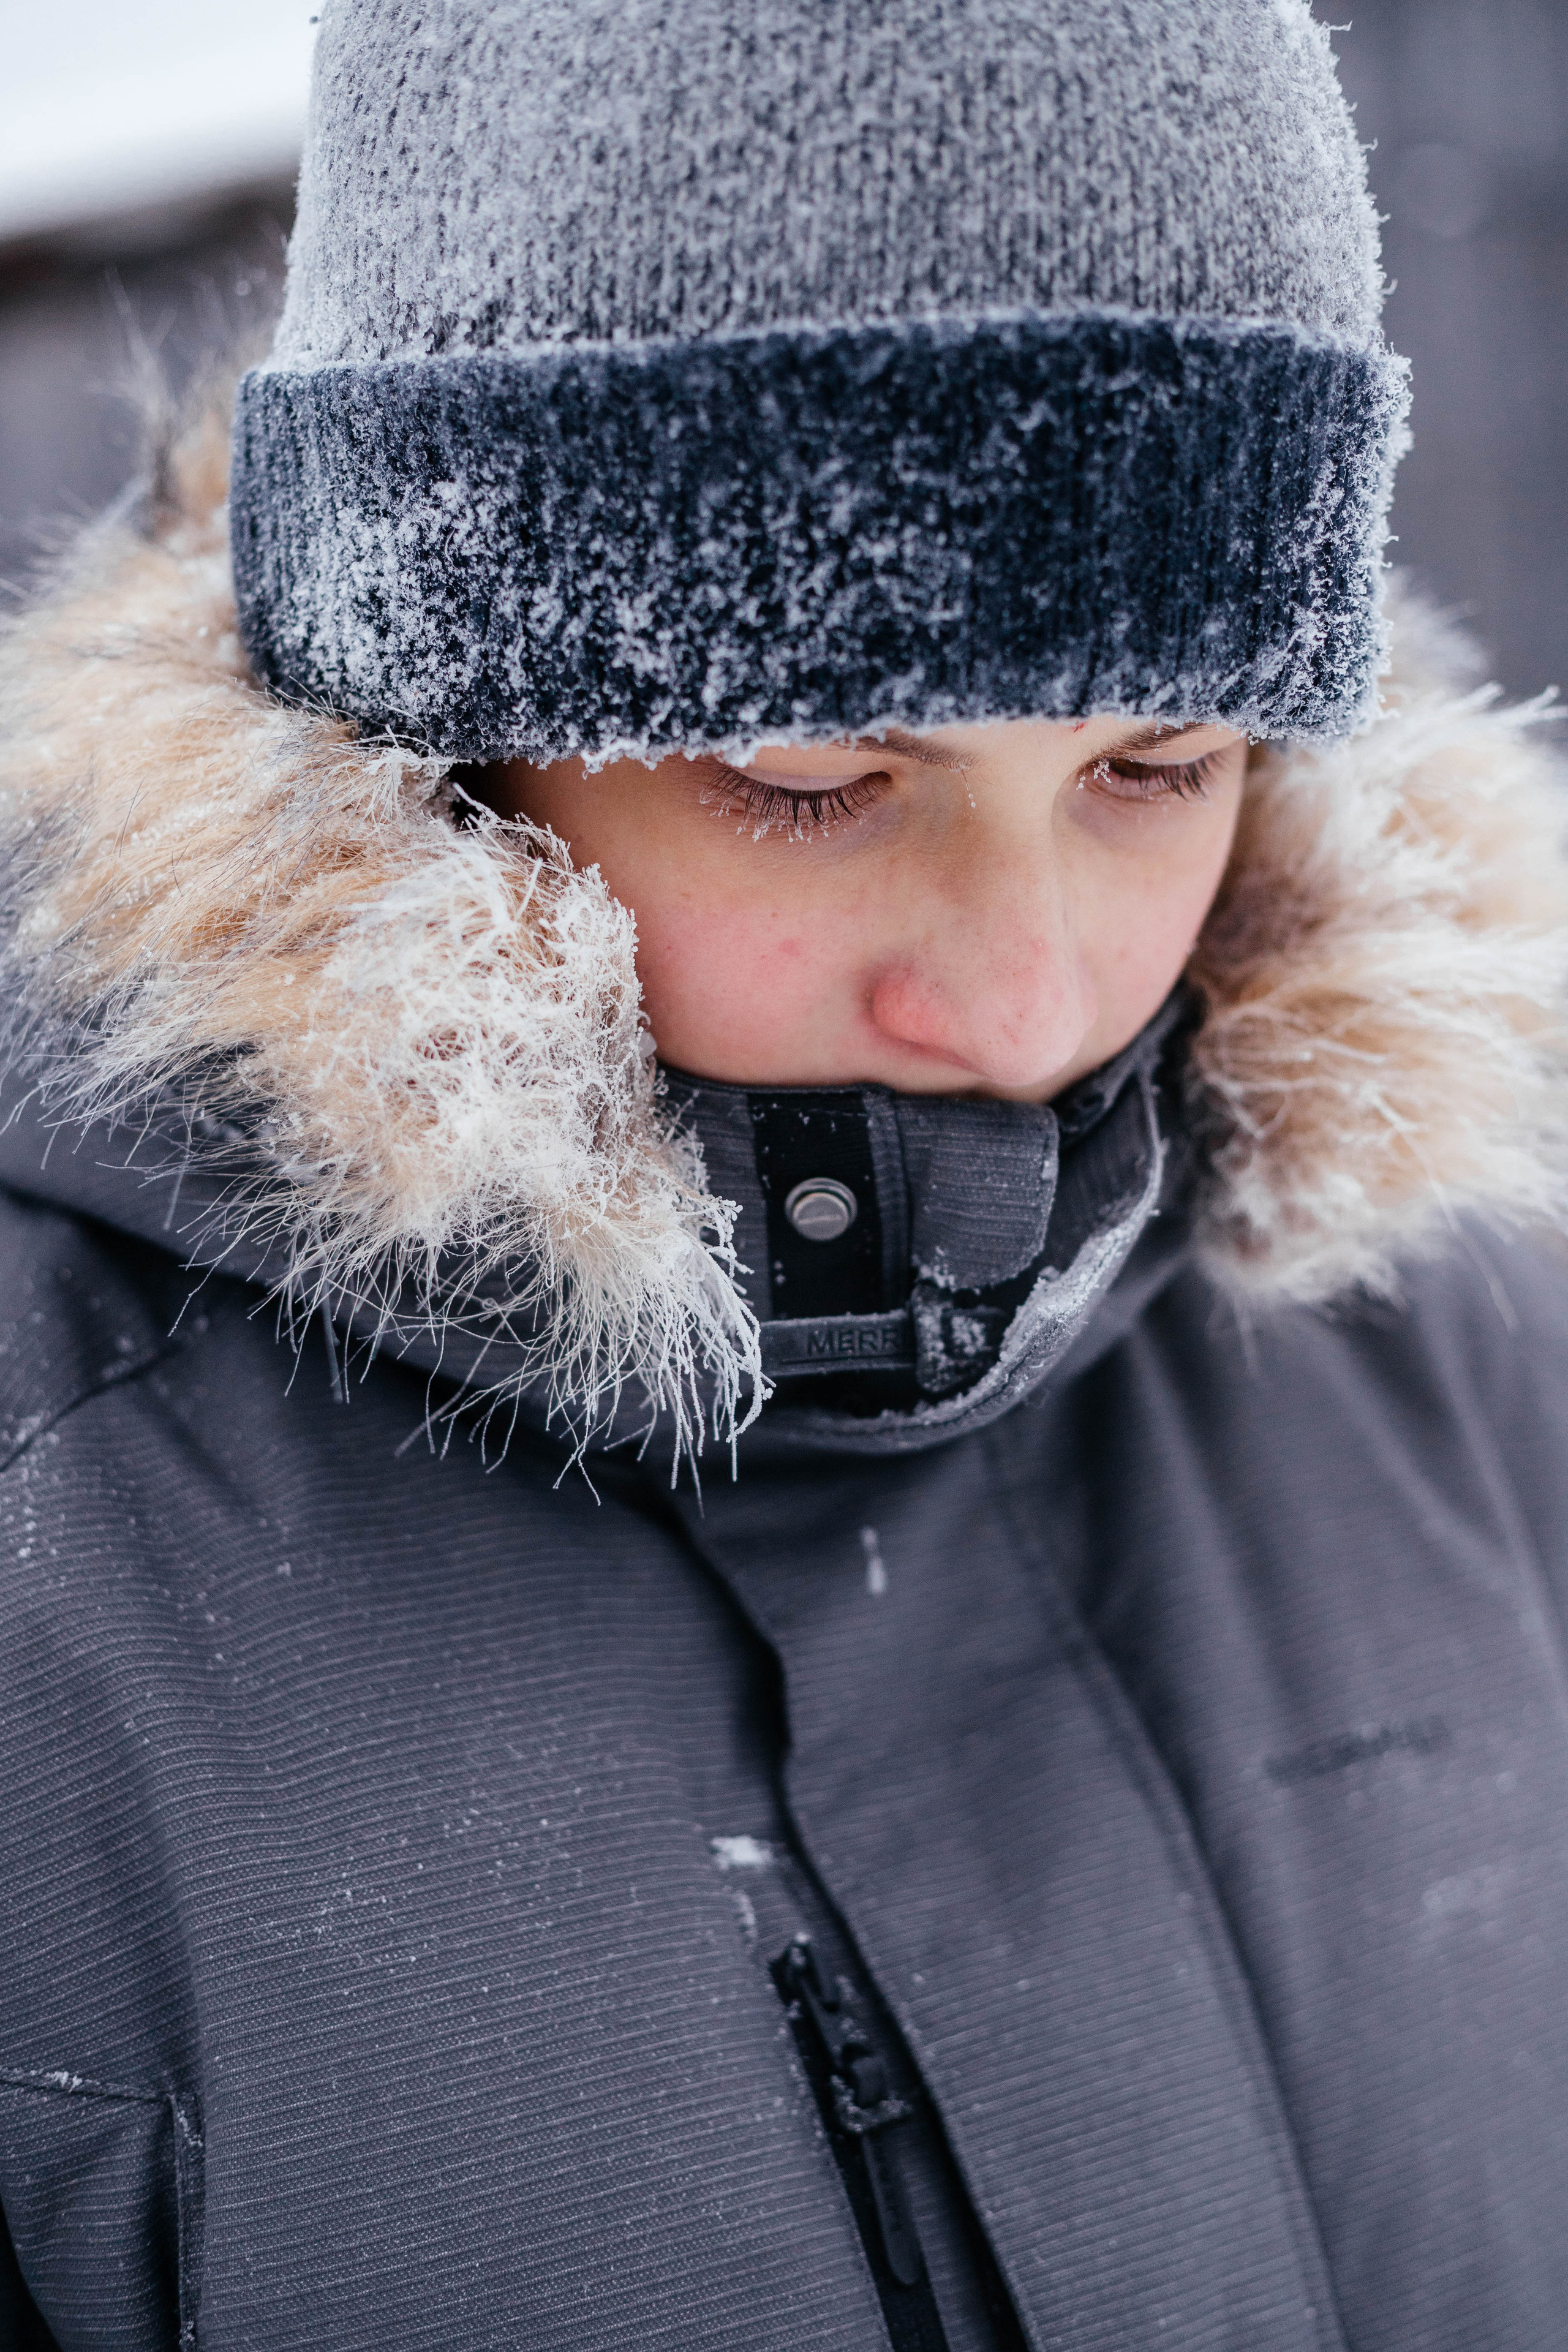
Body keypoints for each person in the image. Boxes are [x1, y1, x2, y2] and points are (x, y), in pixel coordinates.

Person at [1, 3, 1566, 2346]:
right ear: (430, 718)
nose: (1031, 1004)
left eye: (1159, 764)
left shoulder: (1448, 1334)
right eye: (816, 779)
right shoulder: (57, 1585)